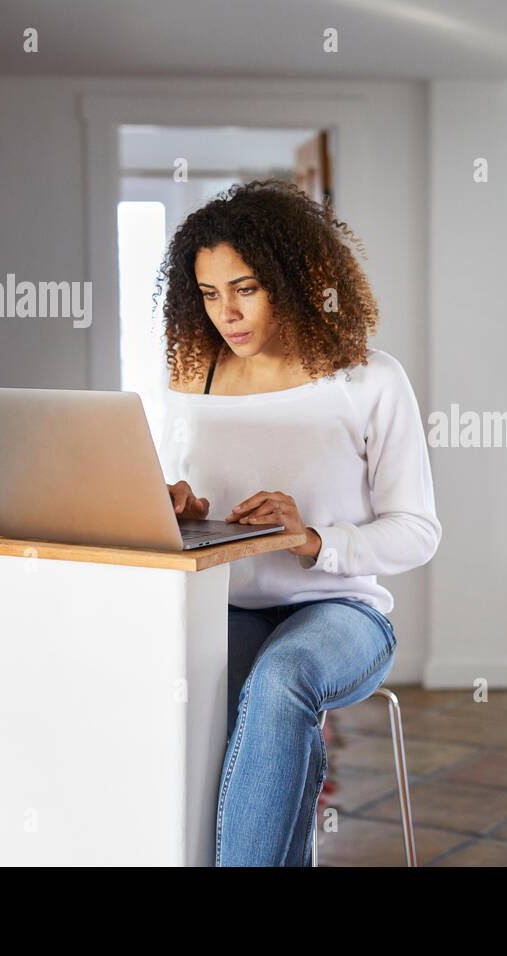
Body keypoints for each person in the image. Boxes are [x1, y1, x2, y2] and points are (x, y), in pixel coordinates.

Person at [157, 179, 441, 866]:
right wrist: (180, 508)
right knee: (181, 690)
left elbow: (417, 530)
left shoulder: (369, 380)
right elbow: (182, 496)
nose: (226, 312)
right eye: (208, 293)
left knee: (282, 678)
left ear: (290, 278)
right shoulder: (192, 377)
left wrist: (314, 540)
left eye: (245, 288)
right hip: (226, 606)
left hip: (342, 611)